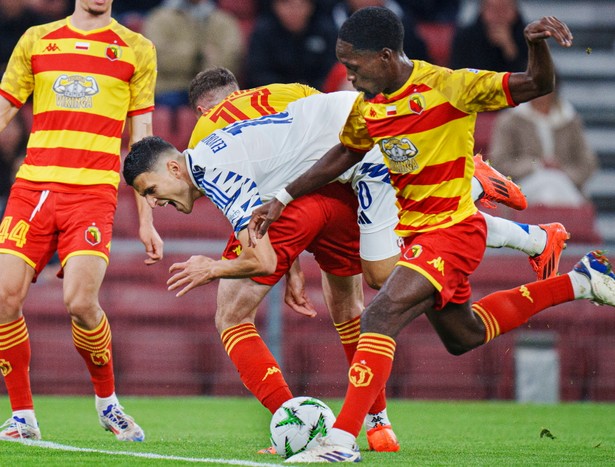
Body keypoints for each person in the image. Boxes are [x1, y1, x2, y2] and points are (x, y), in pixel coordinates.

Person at [243, 8, 615, 463]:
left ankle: (340, 442)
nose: (350, 76)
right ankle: (581, 282)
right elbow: (344, 152)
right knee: (465, 335)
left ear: (384, 56)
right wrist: (283, 195)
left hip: (453, 231)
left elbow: (537, 85)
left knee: (378, 317)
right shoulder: (370, 105)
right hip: (417, 236)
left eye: (355, 67)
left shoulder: (451, 86)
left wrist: (535, 45)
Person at [0, 0, 162, 441]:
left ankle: (108, 403)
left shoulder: (136, 48)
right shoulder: (37, 39)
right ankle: (23, 418)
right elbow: (4, 108)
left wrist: (146, 218)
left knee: (80, 303)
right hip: (33, 188)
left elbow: (142, 139)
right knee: (2, 298)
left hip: (92, 193)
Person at [488, 75, 599, 207]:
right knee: (546, 191)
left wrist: (562, 170)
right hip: (523, 184)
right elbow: (499, 162)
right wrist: (536, 165)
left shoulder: (570, 120)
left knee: (554, 187)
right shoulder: (510, 120)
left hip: (565, 185)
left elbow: (587, 163)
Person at [142, 0, 244, 109]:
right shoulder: (158, 19)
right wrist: (198, 56)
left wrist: (185, 56)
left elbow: (232, 59)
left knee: (222, 105)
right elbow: (157, 58)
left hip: (214, 89)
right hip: (170, 88)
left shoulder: (224, 21)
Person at [244, 0, 339, 90]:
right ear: (275, 5)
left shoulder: (326, 31)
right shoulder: (263, 32)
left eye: (301, 4)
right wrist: (289, 90)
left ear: (311, 6)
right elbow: (257, 73)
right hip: (275, 97)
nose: (294, 11)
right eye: (287, 3)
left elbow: (332, 70)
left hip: (319, 96)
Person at [449, 0, 528, 72]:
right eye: (493, 9)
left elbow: (531, 78)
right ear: (482, 10)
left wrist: (510, 50)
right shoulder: (465, 37)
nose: (499, 15)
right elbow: (459, 74)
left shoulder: (529, 37)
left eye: (504, 9)